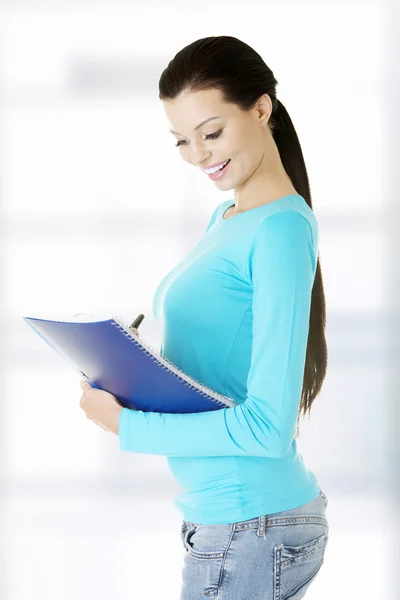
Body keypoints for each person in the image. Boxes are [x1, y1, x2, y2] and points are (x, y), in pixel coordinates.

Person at [85, 35, 330, 600]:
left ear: (261, 108)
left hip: (252, 525)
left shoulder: (279, 228)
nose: (199, 155)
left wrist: (126, 427)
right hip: (233, 524)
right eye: (181, 141)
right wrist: (125, 368)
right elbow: (212, 372)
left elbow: (266, 429)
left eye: (212, 132)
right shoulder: (230, 216)